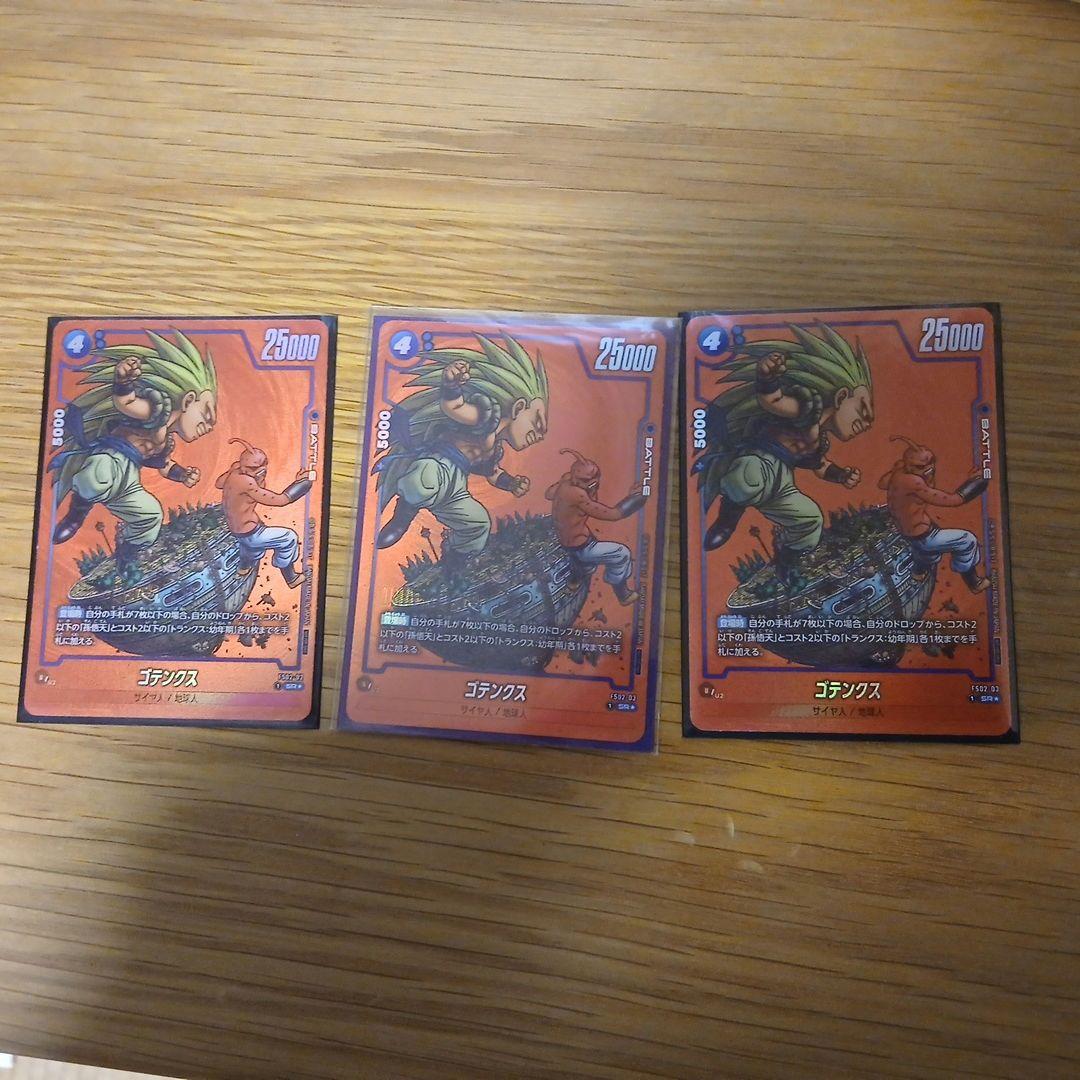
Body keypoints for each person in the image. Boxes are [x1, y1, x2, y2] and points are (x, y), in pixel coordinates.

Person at [694, 323, 874, 579]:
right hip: (762, 461)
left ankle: (787, 560)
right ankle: (727, 519)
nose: (865, 424)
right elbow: (773, 401)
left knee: (811, 519)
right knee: (748, 475)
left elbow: (820, 466)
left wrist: (841, 475)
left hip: (783, 483)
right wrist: (767, 376)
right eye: (862, 411)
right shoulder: (806, 407)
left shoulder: (820, 442)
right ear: (841, 397)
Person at [51, 330, 218, 575]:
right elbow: (126, 403)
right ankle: (75, 515)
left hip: (129, 480)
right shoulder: (156, 410)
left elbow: (164, 466)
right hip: (111, 457)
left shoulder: (166, 443)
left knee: (151, 514)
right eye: (206, 414)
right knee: (99, 472)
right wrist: (123, 381)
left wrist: (182, 475)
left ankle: (127, 555)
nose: (209, 425)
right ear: (187, 401)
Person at [374, 334, 550, 560]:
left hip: (456, 487)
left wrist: (511, 483)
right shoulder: (485, 416)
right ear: (518, 408)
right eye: (537, 424)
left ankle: (455, 560)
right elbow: (454, 407)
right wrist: (451, 384)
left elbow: (493, 473)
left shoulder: (495, 451)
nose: (538, 436)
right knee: (424, 478)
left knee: (479, 523)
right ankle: (402, 518)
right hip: (439, 465)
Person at [879, 436, 990, 594]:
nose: (928, 468)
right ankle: (974, 584)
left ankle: (917, 574)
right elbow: (953, 500)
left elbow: (882, 483)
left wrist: (900, 468)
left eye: (931, 462)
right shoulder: (913, 482)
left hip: (912, 532)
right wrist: (976, 483)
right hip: (923, 535)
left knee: (926, 553)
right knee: (967, 541)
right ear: (909, 466)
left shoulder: (899, 473)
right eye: (920, 466)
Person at [545, 449, 647, 606]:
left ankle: (574, 582)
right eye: (587, 481)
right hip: (581, 545)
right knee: (622, 554)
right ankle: (623, 595)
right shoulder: (578, 495)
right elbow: (613, 514)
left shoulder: (565, 482)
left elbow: (549, 494)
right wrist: (635, 499)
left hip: (568, 541)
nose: (591, 484)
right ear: (577, 479)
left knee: (582, 563)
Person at [216, 439, 313, 588]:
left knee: (250, 549)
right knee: (288, 538)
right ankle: (291, 578)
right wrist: (302, 484)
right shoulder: (247, 482)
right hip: (250, 532)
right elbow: (281, 500)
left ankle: (243, 569)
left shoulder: (234, 472)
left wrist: (234, 469)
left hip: (239, 530)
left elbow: (219, 484)